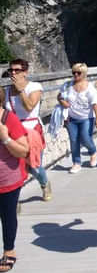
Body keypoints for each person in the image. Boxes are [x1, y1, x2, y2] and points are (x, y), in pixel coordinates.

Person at [3, 59, 52, 201]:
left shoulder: (35, 87)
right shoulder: (6, 91)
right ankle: (14, 201)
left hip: (32, 132)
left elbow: (29, 106)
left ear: (25, 72)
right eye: (11, 70)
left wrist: (21, 90)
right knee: (15, 168)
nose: (13, 73)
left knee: (34, 166)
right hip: (14, 133)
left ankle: (45, 184)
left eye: (17, 70)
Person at [0, 87, 29, 273]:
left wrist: (5, 138)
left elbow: (24, 150)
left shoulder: (8, 119)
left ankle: (9, 250)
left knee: (7, 216)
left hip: (7, 179)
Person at [57, 63, 97, 174]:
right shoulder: (67, 85)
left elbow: (95, 104)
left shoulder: (90, 88)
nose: (76, 74)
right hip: (72, 118)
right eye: (74, 72)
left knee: (86, 139)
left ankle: (93, 151)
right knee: (74, 140)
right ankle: (76, 163)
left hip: (87, 118)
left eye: (78, 73)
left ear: (84, 74)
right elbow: (59, 96)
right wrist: (62, 102)